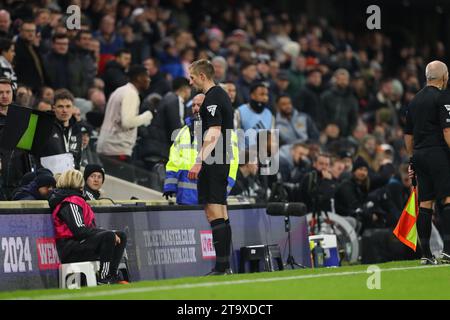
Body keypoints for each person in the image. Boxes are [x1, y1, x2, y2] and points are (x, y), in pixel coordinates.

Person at [187, 59, 238, 275]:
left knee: (213, 211)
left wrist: (199, 160)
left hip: (214, 160)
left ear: (202, 76)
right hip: (221, 159)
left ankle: (222, 267)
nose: (190, 82)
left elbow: (215, 131)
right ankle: (225, 266)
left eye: (192, 77)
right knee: (222, 212)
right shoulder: (221, 94)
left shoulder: (212, 98)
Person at [404, 60, 450, 264]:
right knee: (448, 199)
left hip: (420, 155)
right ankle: (448, 251)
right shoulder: (443, 98)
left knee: (425, 204)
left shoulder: (413, 101)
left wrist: (412, 159)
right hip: (438, 153)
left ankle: (426, 255)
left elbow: (408, 136)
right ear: (444, 77)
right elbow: (447, 131)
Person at [49, 169, 127, 285]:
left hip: (80, 243)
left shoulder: (77, 199)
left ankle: (112, 274)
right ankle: (104, 278)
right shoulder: (70, 202)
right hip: (70, 248)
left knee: (121, 235)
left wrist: (105, 232)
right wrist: (106, 233)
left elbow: (88, 229)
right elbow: (79, 230)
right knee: (109, 236)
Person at [163, 93, 239, 204]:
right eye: (193, 105)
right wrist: (170, 184)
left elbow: (232, 163)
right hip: (184, 197)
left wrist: (224, 190)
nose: (195, 108)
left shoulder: (225, 132)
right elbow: (173, 160)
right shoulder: (183, 131)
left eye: (199, 105)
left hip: (211, 197)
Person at [96, 65, 152, 162]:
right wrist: (147, 116)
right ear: (139, 78)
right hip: (116, 149)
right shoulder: (131, 94)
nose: (149, 80)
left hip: (107, 145)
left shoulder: (120, 90)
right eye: (147, 77)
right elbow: (127, 122)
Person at [0, 78, 33, 199]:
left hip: (20, 179)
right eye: (0, 92)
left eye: (8, 92)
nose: (4, 96)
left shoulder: (22, 117)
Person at [37, 89, 83, 170]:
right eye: (60, 106)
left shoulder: (77, 130)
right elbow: (35, 156)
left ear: (73, 108)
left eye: (68, 106)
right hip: (50, 179)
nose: (64, 110)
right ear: (53, 108)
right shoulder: (45, 127)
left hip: (71, 179)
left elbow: (78, 158)